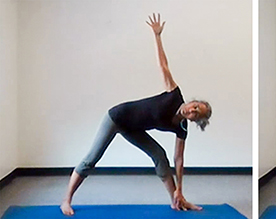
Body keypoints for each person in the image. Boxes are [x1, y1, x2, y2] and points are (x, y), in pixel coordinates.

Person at [60, 13, 212, 216]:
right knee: (92, 158)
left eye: (196, 113)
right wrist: (157, 36)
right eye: (195, 105)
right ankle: (66, 200)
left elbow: (179, 159)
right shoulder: (174, 95)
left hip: (134, 129)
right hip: (117, 117)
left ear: (195, 120)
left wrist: (180, 190)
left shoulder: (181, 127)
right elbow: (163, 66)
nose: (191, 110)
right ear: (192, 101)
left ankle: (176, 201)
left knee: (160, 156)